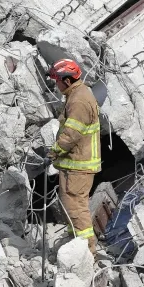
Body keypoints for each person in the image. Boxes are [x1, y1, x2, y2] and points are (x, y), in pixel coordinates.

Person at [47, 59, 101, 255]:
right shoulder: (77, 93)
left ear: (67, 80)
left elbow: (71, 134)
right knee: (69, 205)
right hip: (74, 164)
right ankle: (75, 243)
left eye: (57, 80)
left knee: (76, 208)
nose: (56, 84)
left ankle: (87, 252)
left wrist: (53, 151)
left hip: (79, 165)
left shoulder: (78, 101)